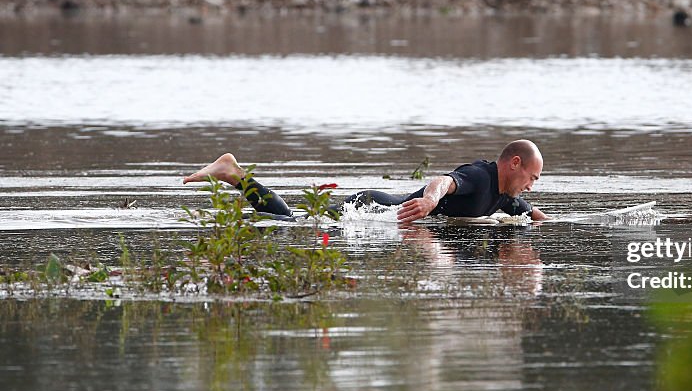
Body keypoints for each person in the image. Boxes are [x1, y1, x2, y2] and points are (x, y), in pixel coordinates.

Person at [182, 139, 549, 224]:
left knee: (295, 218)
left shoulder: (504, 194)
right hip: (372, 208)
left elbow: (524, 208)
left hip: (382, 212)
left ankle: (234, 175)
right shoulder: (481, 177)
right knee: (292, 221)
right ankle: (233, 173)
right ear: (514, 164)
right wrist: (430, 200)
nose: (531, 184)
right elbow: (444, 180)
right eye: (531, 177)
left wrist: (538, 216)